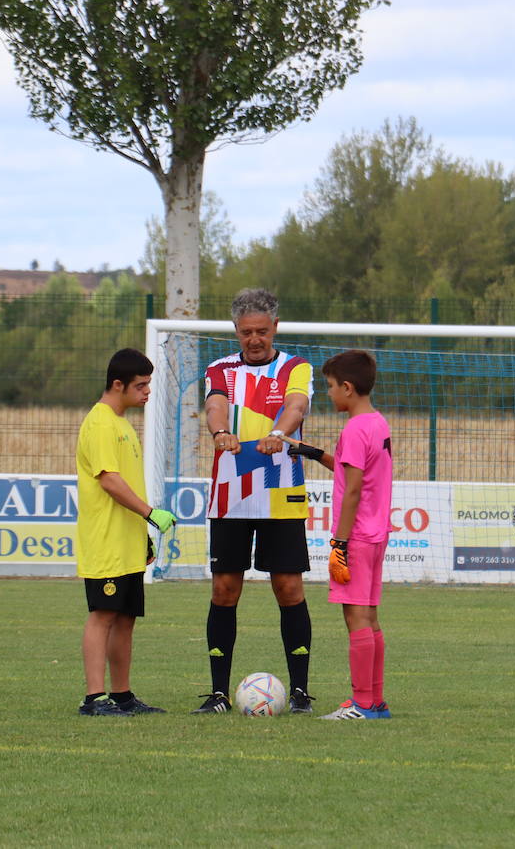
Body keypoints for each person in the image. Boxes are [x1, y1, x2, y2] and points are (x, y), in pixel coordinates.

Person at [194, 288, 315, 714]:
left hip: (281, 492)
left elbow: (296, 406)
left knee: (289, 588)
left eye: (262, 331)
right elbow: (215, 405)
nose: (254, 339)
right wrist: (219, 433)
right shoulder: (220, 369)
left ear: (275, 328)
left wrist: (279, 435)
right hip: (230, 496)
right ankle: (219, 694)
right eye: (246, 332)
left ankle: (299, 692)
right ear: (236, 332)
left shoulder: (296, 367)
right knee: (225, 590)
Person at [74, 347, 177, 717]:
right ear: (118, 384)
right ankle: (93, 698)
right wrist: (151, 514)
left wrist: (143, 535)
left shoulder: (121, 422)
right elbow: (109, 481)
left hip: (128, 541)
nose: (148, 391)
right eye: (141, 385)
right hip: (105, 541)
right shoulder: (100, 423)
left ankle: (122, 695)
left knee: (126, 617)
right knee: (103, 614)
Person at [293, 349, 393, 721]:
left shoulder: (353, 429)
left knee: (356, 619)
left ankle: (361, 703)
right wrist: (314, 453)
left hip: (357, 537)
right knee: (370, 617)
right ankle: (376, 702)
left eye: (331, 387)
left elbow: (352, 490)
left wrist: (340, 542)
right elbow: (354, 471)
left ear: (348, 388)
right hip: (376, 534)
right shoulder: (376, 423)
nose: (329, 393)